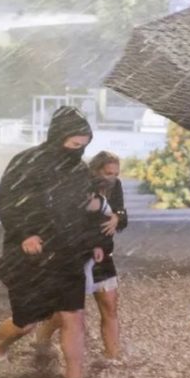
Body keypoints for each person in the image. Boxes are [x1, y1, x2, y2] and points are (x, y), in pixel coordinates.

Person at [0, 106, 108, 378]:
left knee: (74, 316)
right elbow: (6, 200)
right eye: (74, 144)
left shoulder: (79, 171)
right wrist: (25, 234)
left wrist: (94, 242)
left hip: (68, 255)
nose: (79, 151)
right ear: (58, 138)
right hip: (32, 256)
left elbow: (84, 210)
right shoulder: (27, 162)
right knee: (26, 323)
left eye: (84, 146)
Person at [35, 151, 128, 361]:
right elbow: (72, 224)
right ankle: (42, 338)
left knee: (110, 306)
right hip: (77, 255)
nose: (112, 178)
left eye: (115, 173)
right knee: (66, 313)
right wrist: (93, 242)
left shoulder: (116, 186)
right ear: (95, 170)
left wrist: (117, 217)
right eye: (107, 173)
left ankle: (113, 359)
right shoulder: (79, 187)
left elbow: (122, 214)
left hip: (103, 255)